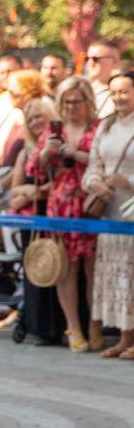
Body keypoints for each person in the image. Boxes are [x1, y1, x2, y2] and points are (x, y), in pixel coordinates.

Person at [26, 76, 100, 353]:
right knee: (65, 268)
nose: (70, 108)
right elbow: (34, 168)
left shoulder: (99, 127)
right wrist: (47, 152)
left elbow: (106, 158)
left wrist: (77, 154)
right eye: (65, 102)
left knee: (93, 268)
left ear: (88, 102)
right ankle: (74, 327)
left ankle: (94, 323)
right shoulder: (53, 130)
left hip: (92, 204)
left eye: (76, 102)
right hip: (61, 204)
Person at [4, 98, 66, 345]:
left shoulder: (59, 147)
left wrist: (32, 193)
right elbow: (15, 188)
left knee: (58, 268)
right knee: (36, 269)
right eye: (30, 119)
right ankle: (38, 326)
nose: (35, 122)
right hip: (30, 222)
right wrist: (30, 193)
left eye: (39, 116)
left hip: (55, 215)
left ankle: (60, 326)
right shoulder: (25, 151)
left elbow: (61, 183)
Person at [82, 71, 134, 358]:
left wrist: (130, 182)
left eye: (124, 91)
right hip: (110, 212)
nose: (118, 97)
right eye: (114, 92)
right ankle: (125, 338)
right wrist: (95, 183)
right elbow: (93, 164)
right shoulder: (107, 126)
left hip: (132, 210)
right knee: (120, 277)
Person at [87, 39, 122, 118]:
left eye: (95, 59)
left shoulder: (127, 91)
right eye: (87, 58)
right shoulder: (83, 89)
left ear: (115, 62)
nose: (90, 63)